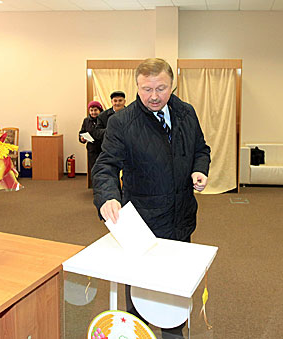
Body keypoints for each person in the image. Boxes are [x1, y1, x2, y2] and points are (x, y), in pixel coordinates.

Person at [91, 58, 211, 338]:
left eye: (161, 88)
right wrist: (108, 196)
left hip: (181, 219)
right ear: (137, 86)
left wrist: (198, 169)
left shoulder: (186, 113)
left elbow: (200, 149)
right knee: (138, 298)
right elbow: (106, 165)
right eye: (146, 89)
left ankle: (174, 333)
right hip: (142, 226)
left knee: (175, 295)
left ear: (173, 85)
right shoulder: (123, 122)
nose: (154, 96)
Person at [79, 100, 103, 175]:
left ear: (100, 110)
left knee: (103, 170)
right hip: (92, 150)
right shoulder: (86, 120)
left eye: (95, 110)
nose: (93, 112)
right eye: (91, 110)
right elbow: (82, 132)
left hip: (103, 149)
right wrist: (82, 138)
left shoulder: (104, 119)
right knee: (94, 170)